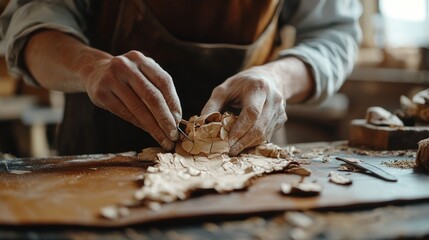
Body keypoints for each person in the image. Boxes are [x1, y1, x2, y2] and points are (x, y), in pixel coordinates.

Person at [0, 0, 361, 156]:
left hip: (248, 156)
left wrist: (279, 77)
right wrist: (90, 67)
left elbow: (335, 33)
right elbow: (29, 31)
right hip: (103, 154)